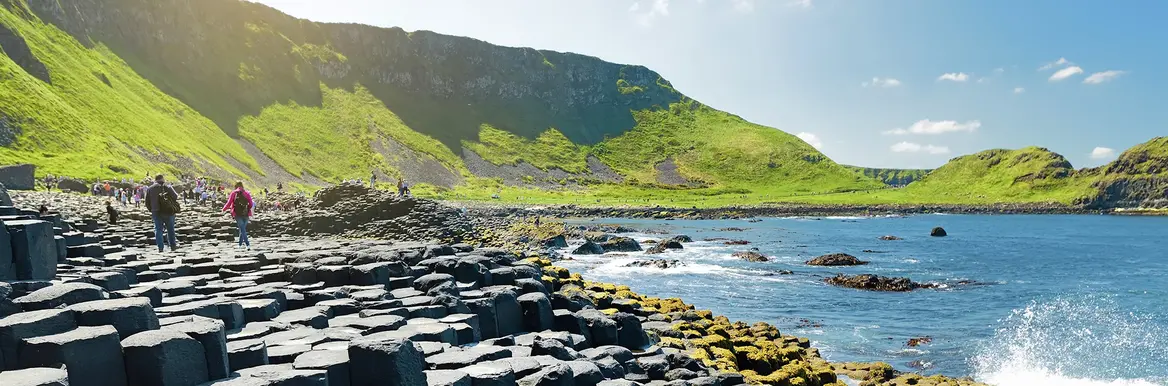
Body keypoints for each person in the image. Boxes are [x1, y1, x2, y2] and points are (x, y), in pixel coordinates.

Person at [145, 174, 181, 252]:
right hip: (168, 211)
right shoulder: (167, 186)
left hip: (156, 211)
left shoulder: (150, 189)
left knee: (158, 229)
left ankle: (160, 248)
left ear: (155, 180)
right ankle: (172, 246)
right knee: (170, 229)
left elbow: (147, 202)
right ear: (162, 179)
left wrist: (151, 209)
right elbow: (175, 197)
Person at [222, 181, 254, 249]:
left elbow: (229, 203)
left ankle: (247, 244)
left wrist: (223, 209)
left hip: (237, 213)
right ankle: (240, 245)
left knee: (242, 229)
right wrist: (247, 209)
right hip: (246, 214)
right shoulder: (247, 193)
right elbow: (251, 204)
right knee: (243, 229)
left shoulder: (234, 193)